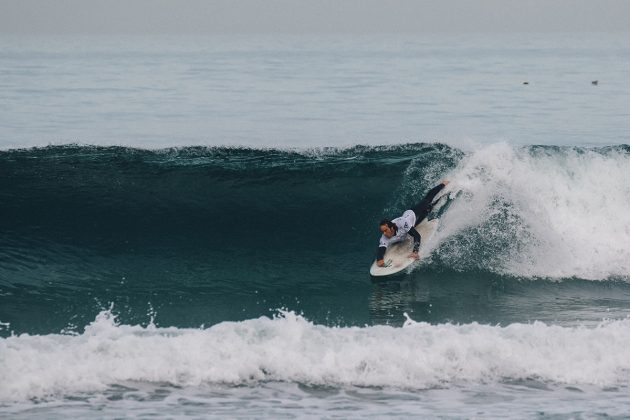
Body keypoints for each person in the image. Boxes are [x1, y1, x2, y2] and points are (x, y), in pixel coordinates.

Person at [376, 180, 449, 267]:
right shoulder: (384, 237)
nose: (384, 233)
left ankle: (443, 184)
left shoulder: (401, 223)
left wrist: (415, 252)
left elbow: (416, 236)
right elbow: (381, 249)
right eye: (382, 231)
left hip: (413, 214)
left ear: (391, 228)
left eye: (385, 230)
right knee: (429, 209)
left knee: (427, 200)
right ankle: (441, 197)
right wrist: (380, 259)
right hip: (412, 223)